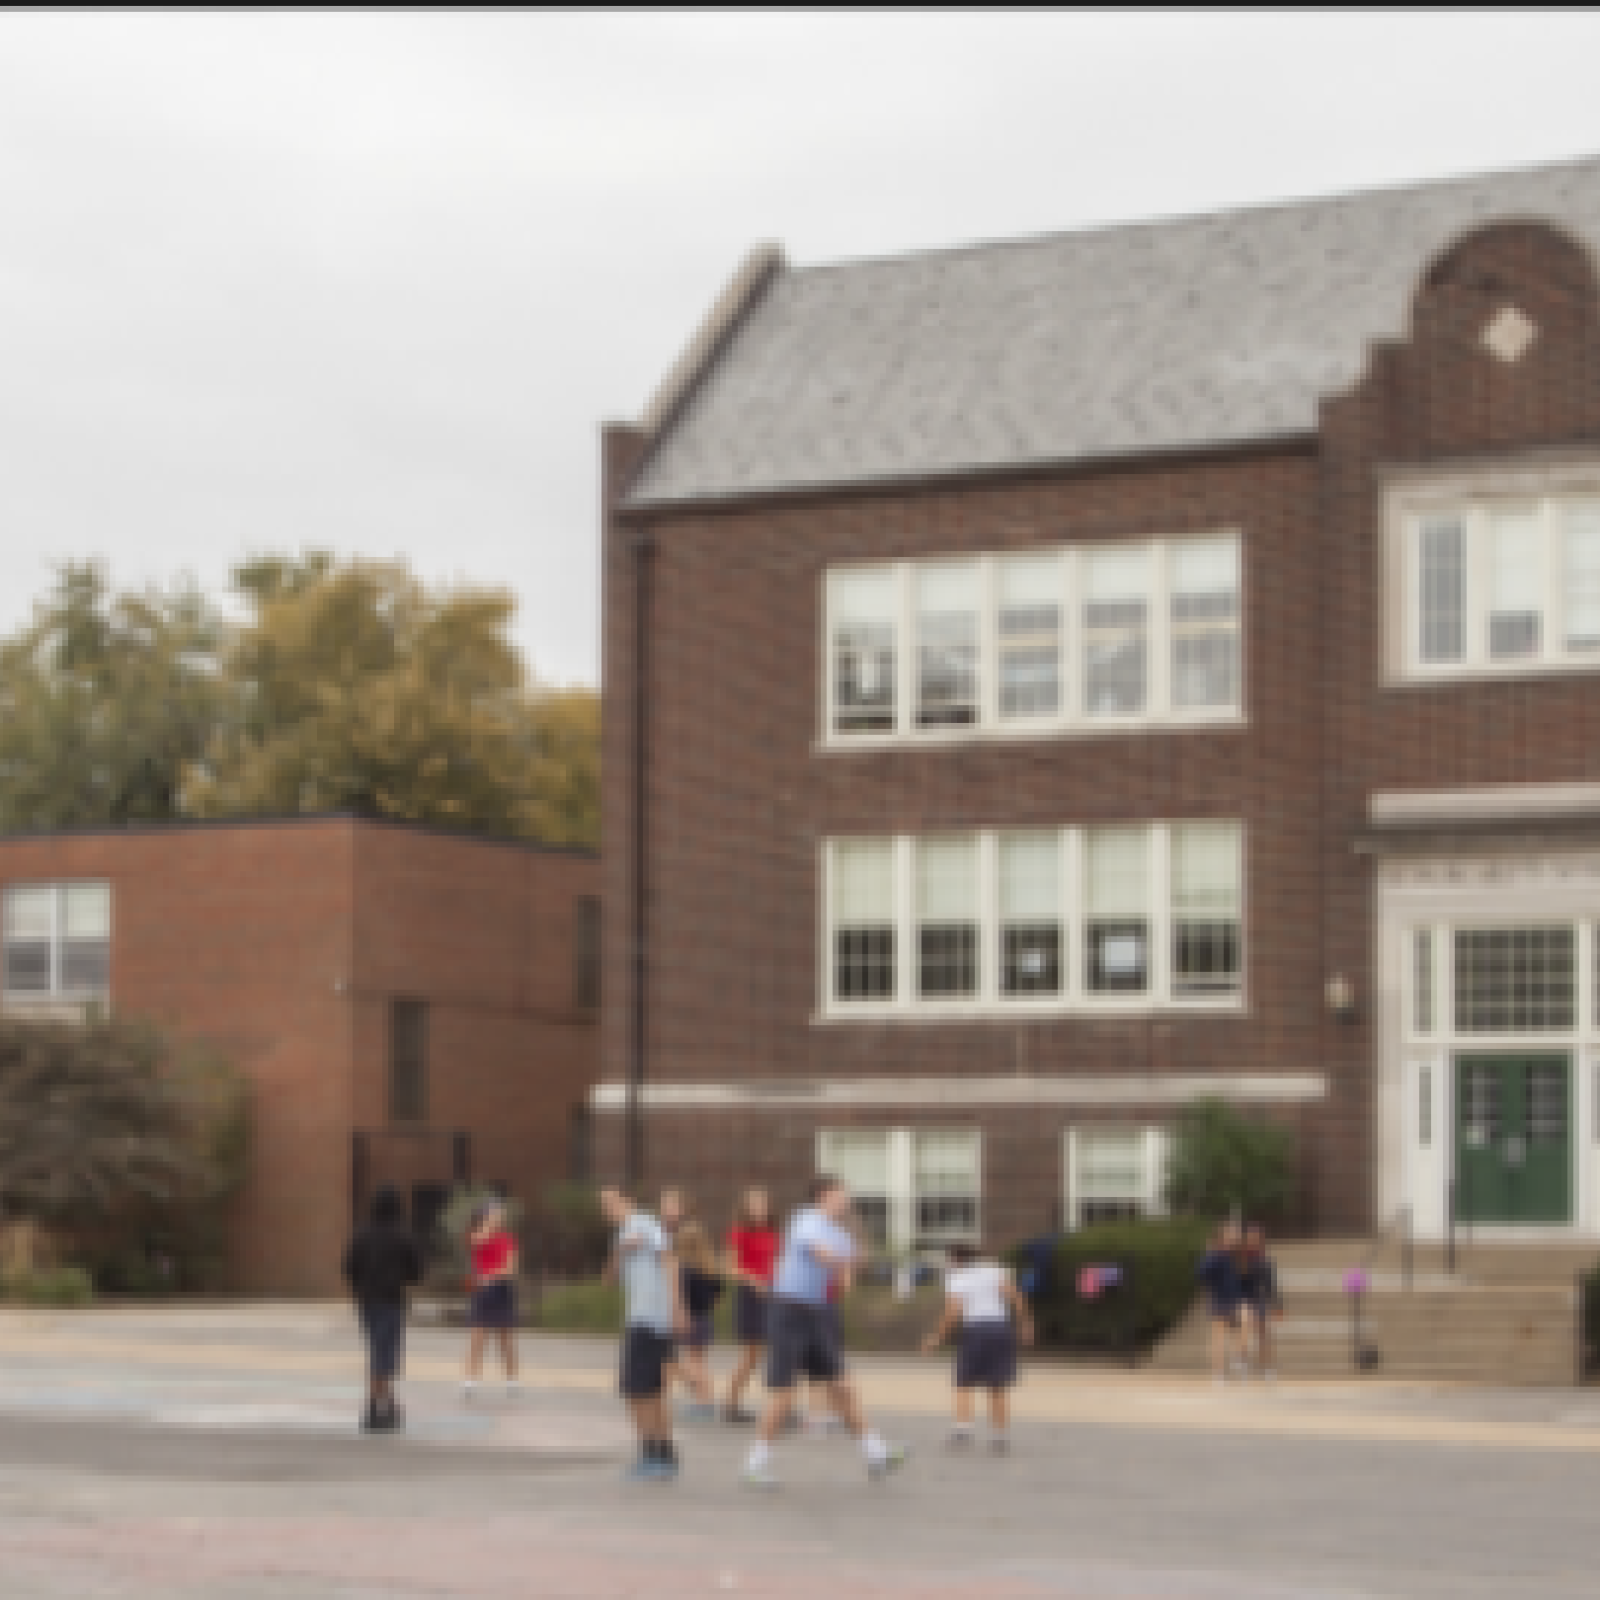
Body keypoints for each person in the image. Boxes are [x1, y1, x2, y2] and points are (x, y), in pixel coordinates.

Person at [742, 1175, 907, 1490]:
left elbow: (850, 1271)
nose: (846, 1200)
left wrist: (856, 1251)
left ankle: (876, 1454)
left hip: (818, 1312)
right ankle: (754, 1464)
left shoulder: (839, 1232)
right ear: (823, 1196)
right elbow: (823, 1256)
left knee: (843, 1386)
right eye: (840, 1195)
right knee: (784, 1394)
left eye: (846, 1195)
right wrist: (848, 1260)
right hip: (788, 1309)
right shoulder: (805, 1219)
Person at [600, 1185, 687, 1482]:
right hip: (640, 1317)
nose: (607, 1209)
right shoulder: (622, 1235)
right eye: (604, 1205)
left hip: (650, 1318)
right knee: (650, 1389)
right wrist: (619, 1251)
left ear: (629, 1200)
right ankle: (664, 1453)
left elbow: (669, 1260)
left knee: (639, 1390)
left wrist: (676, 1308)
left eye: (612, 1202)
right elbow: (609, 1282)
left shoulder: (646, 1224)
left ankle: (651, 1454)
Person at [921, 1241, 1035, 1453]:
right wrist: (1026, 1323)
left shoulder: (956, 1279)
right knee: (997, 1385)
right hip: (1001, 1328)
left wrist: (936, 1337)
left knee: (964, 1381)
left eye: (949, 1259)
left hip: (975, 1330)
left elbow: (952, 1311)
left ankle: (963, 1429)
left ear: (956, 1260)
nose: (948, 1264)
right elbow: (1015, 1297)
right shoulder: (996, 1270)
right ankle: (1000, 1436)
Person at [341, 1184, 424, 1434]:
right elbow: (416, 1271)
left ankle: (385, 1403)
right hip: (392, 1300)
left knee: (376, 1350)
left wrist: (360, 1285)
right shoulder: (402, 1235)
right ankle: (375, 1407)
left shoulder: (361, 1234)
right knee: (385, 1354)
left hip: (367, 1301)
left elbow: (348, 1266)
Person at [723, 1186, 779, 1424]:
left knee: (781, 1352)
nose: (759, 1209)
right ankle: (732, 1405)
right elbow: (731, 1268)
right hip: (750, 1298)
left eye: (763, 1204)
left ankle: (781, 1407)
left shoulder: (774, 1233)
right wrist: (753, 1279)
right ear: (746, 1207)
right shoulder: (739, 1232)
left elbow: (779, 1262)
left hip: (774, 1296)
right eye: (754, 1204)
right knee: (751, 1357)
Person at [461, 1201, 520, 1402]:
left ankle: (512, 1381)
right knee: (478, 1337)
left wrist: (491, 1275)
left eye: (500, 1214)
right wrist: (488, 1224)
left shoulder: (507, 1238)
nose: (499, 1217)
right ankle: (470, 1380)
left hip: (502, 1290)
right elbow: (477, 1243)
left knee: (506, 1339)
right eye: (494, 1213)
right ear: (485, 1216)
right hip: (482, 1291)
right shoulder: (476, 1234)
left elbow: (511, 1269)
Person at [674, 1220, 724, 1420]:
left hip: (691, 1318)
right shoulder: (710, 1266)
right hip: (706, 1317)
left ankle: (704, 1403)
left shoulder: (685, 1268)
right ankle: (704, 1401)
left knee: (692, 1364)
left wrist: (682, 1317)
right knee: (700, 1363)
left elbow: (681, 1296)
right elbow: (719, 1296)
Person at [1196, 1222, 1246, 1384]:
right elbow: (1202, 1273)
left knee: (1241, 1329)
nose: (1235, 1237)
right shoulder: (1215, 1254)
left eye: (1236, 1234)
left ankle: (1237, 1360)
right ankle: (1218, 1373)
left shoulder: (1234, 1255)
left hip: (1235, 1299)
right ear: (1223, 1237)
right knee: (1219, 1337)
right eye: (1231, 1234)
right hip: (1220, 1300)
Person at [1238, 1224, 1283, 1380]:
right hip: (1242, 1298)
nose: (1253, 1239)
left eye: (1256, 1237)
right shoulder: (1239, 1258)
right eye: (1250, 1236)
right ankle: (1243, 1361)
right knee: (1244, 1328)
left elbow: (1271, 1284)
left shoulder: (1265, 1259)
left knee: (1263, 1335)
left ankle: (1266, 1368)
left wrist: (1277, 1305)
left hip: (1258, 1298)